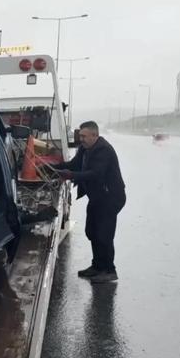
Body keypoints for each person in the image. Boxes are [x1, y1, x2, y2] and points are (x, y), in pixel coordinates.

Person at [54, 121, 126, 283]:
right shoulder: (85, 148)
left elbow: (95, 174)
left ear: (95, 135)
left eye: (84, 136)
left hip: (110, 197)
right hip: (97, 197)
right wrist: (54, 168)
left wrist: (71, 175)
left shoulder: (103, 150)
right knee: (92, 231)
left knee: (104, 234)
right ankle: (97, 266)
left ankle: (109, 270)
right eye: (80, 136)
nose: (81, 139)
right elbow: (74, 165)